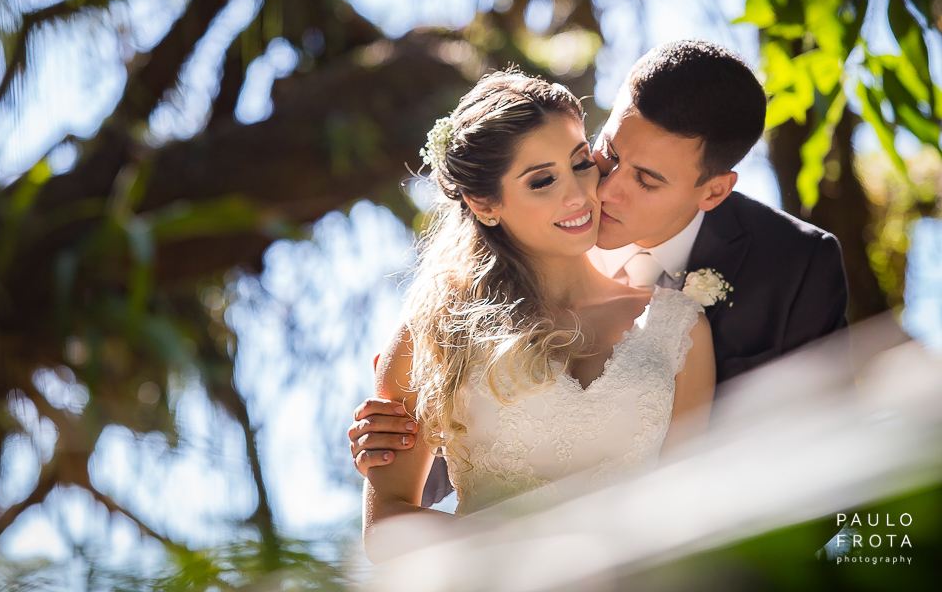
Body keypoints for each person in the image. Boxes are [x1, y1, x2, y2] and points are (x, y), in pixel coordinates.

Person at [350, 39, 849, 508]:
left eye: (646, 180)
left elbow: (821, 471)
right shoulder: (508, 261)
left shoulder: (793, 266)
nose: (602, 191)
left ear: (713, 191)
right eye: (607, 153)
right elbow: (460, 456)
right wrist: (392, 441)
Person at [362, 70, 715, 558]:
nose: (578, 195)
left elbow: (688, 513)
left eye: (581, 163)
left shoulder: (677, 328)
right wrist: (549, 551)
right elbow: (385, 531)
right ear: (484, 203)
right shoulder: (437, 329)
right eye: (543, 180)